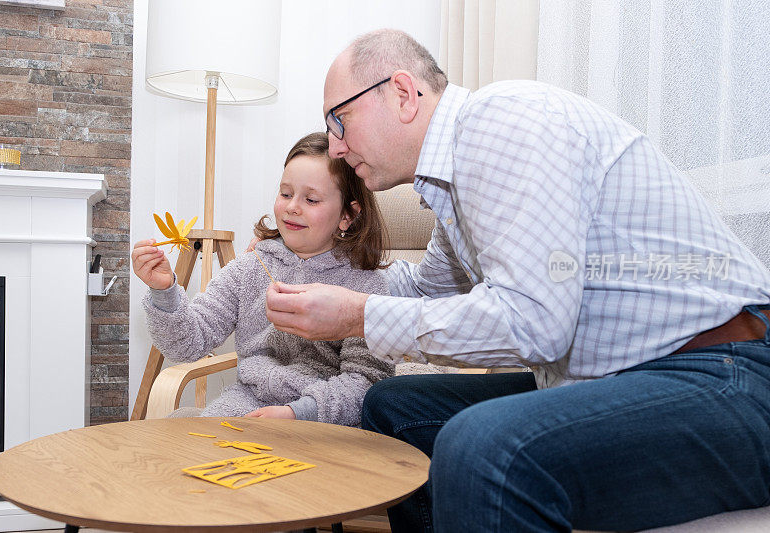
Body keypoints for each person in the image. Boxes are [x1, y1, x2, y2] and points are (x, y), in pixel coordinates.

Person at [264, 29, 770, 532]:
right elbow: (424, 290)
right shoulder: (453, 188)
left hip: (723, 373)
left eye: (340, 119)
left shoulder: (502, 119)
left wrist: (356, 315)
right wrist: (325, 280)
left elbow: (535, 322)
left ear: (402, 93)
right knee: (393, 406)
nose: (334, 145)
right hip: (627, 377)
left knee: (480, 446)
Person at [132, 132, 393, 426]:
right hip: (246, 403)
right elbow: (187, 344)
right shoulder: (249, 268)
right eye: (285, 194)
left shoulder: (365, 284)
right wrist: (163, 290)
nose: (293, 206)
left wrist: (298, 413)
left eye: (311, 199)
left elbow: (366, 380)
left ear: (347, 215)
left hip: (324, 417)